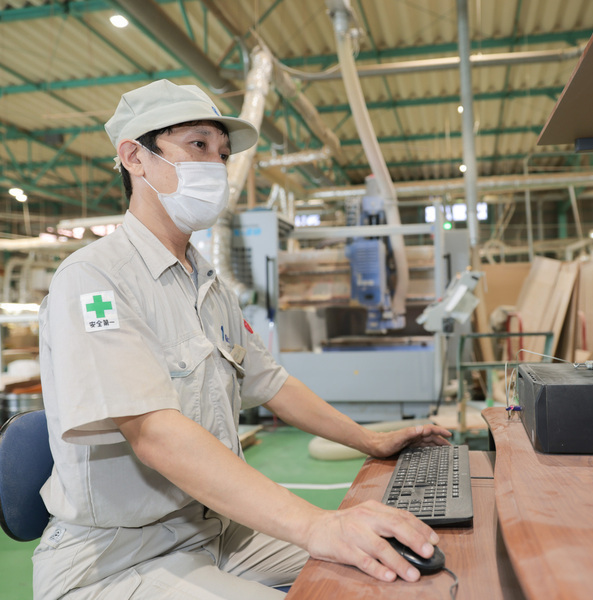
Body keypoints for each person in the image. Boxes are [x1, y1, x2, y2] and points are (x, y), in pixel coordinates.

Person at [32, 79, 452, 600]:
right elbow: (153, 433)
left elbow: (273, 385)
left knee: (394, 575)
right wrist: (316, 525)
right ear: (134, 157)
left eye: (223, 154)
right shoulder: (94, 280)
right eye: (198, 145)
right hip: (119, 558)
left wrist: (367, 441)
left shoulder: (210, 287)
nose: (215, 166)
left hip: (217, 534)